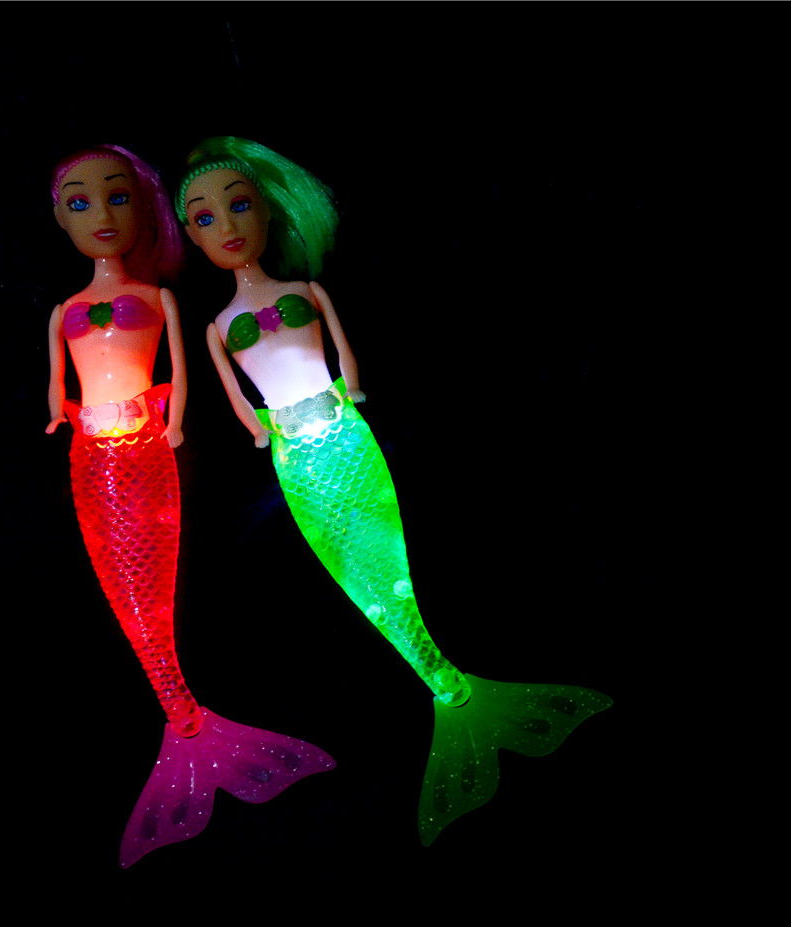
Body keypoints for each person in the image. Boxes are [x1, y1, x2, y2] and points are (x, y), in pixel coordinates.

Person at [177, 137, 612, 846]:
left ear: (268, 210)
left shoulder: (306, 292)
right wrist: (258, 429)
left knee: (388, 556)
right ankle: (445, 689)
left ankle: (450, 687)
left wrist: (348, 386)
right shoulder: (217, 326)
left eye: (239, 205)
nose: (226, 225)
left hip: (346, 434)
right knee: (354, 569)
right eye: (204, 218)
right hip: (296, 454)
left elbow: (341, 350)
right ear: (192, 237)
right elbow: (235, 394)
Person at [47, 144, 333, 868]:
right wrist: (59, 413)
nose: (101, 214)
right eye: (79, 201)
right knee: (126, 582)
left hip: (152, 444)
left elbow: (179, 367)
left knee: (159, 571)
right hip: (94, 456)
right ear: (59, 219)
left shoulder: (166, 300)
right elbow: (59, 383)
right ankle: (183, 716)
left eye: (117, 196)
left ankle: (189, 720)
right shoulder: (65, 310)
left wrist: (174, 424)